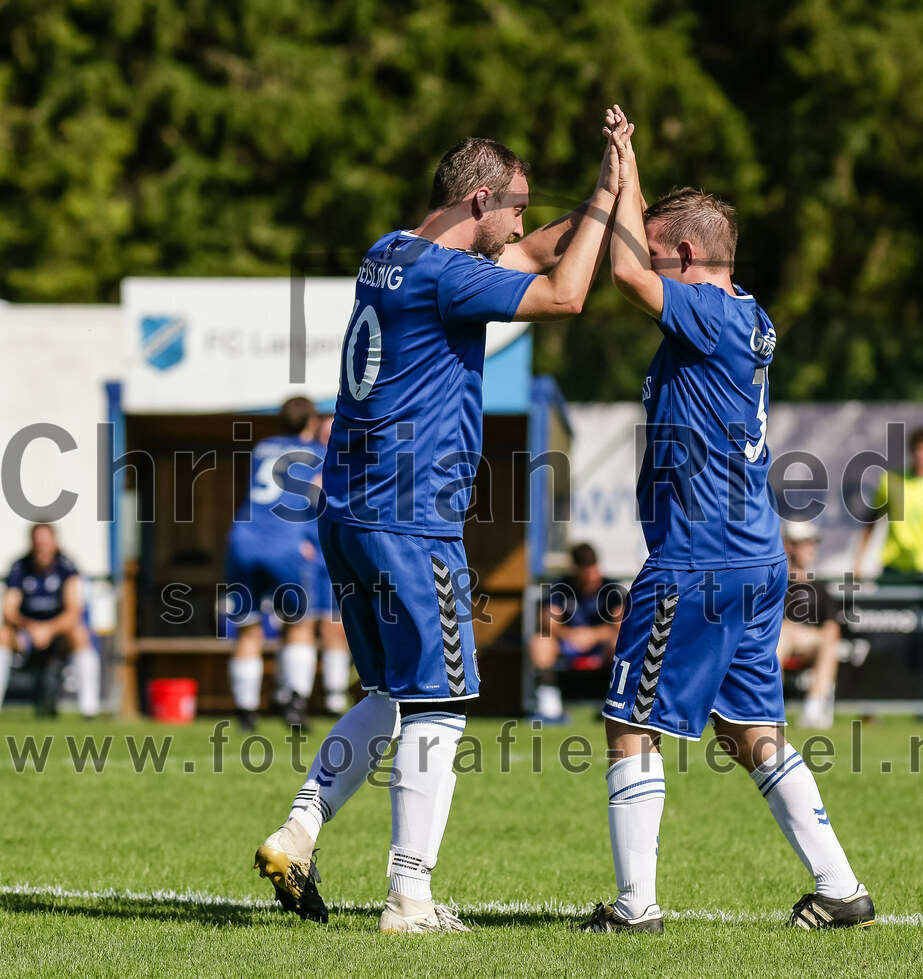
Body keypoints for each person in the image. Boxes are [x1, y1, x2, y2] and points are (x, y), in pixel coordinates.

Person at [254, 114, 628, 932]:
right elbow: (563, 292)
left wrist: (602, 194)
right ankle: (409, 895)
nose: (523, 226)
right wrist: (612, 198)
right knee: (443, 704)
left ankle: (299, 829)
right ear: (480, 199)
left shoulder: (389, 252)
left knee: (392, 693)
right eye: (517, 208)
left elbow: (530, 253)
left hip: (348, 514)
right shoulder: (449, 279)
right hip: (412, 519)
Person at [580, 112, 873, 934]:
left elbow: (626, 275)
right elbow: (645, 263)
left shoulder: (706, 312)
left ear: (683, 255)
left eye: (656, 248)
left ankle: (634, 907)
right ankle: (840, 886)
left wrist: (623, 171)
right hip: (754, 556)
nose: (642, 256)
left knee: (630, 720)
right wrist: (628, 168)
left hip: (698, 557)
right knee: (751, 731)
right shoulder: (744, 312)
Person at [225, 397, 323, 732]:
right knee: (299, 624)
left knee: (248, 628)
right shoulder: (319, 454)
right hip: (285, 543)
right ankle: (294, 703)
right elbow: (319, 496)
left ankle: (246, 712)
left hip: (243, 540)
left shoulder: (262, 448)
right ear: (311, 422)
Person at [0, 523, 101, 717]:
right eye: (38, 544)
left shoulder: (67, 567)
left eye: (46, 543)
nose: (42, 548)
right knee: (2, 635)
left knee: (80, 634)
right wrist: (30, 627)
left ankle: (90, 711)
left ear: (55, 543)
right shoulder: (20, 566)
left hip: (58, 635)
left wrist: (49, 630)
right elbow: (9, 611)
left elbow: (73, 611)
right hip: (26, 634)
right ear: (31, 544)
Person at [530, 542, 625, 722]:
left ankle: (615, 703)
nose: (591, 578)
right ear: (575, 569)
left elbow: (620, 625)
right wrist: (571, 634)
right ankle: (549, 708)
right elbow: (548, 621)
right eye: (586, 573)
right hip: (568, 644)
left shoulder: (610, 588)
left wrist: (593, 635)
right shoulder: (561, 587)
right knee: (540, 642)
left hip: (600, 646)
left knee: (619, 644)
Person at [853, 427, 923, 582]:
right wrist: (858, 562)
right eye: (919, 449)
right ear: (911, 451)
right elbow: (871, 520)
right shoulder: (890, 481)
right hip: (893, 566)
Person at [777, 522, 841, 729]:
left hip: (810, 644)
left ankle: (813, 710)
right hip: (781, 641)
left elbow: (832, 627)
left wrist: (800, 630)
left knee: (830, 641)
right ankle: (771, 707)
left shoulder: (820, 588)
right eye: (804, 543)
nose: (810, 548)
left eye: (812, 543)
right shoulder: (776, 583)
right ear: (789, 546)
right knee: (778, 637)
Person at [312, 412, 352, 715]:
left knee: (338, 626)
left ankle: (335, 698)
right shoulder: (308, 464)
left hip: (340, 556)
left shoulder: (353, 463)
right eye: (324, 435)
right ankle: (292, 696)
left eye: (332, 434)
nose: (329, 440)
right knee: (299, 628)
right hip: (309, 559)